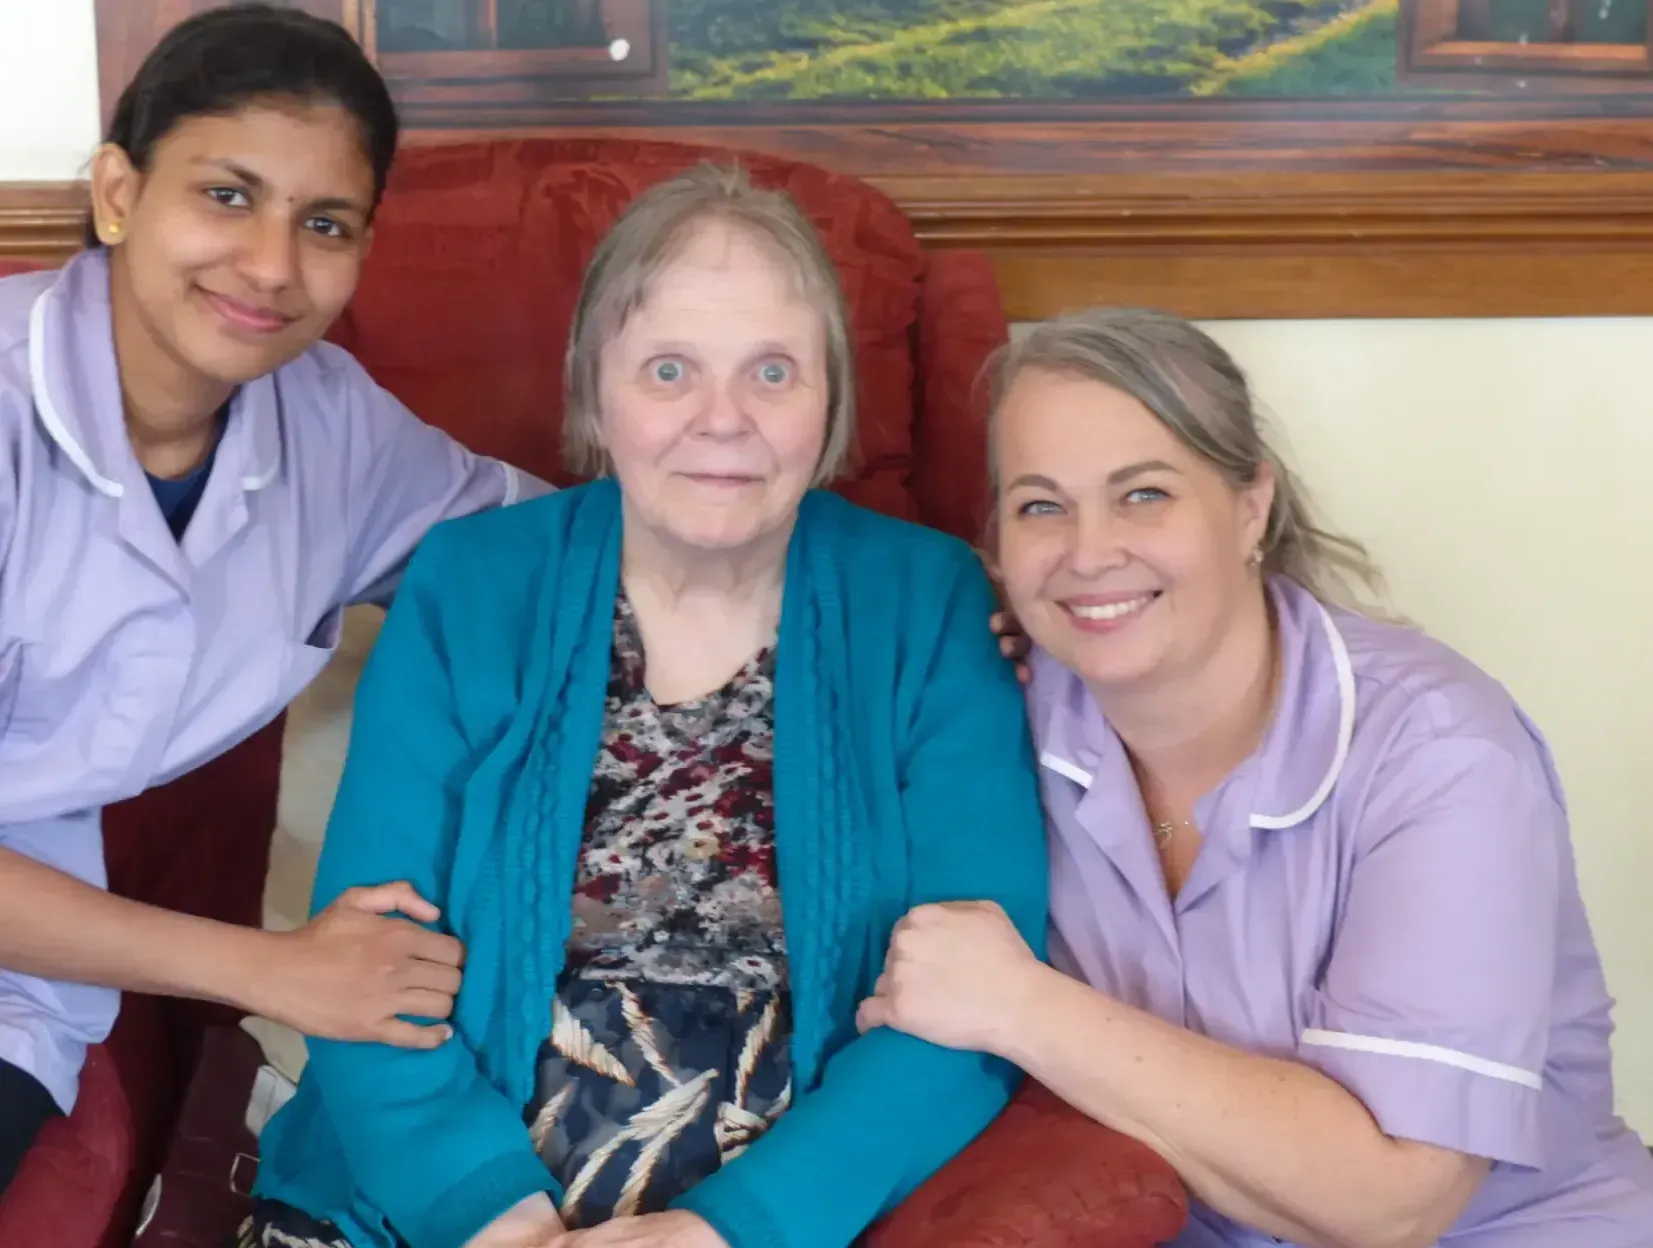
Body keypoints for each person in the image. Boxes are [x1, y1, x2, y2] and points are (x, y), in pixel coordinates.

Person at [242, 164, 1049, 1248]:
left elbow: (980, 1004)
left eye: (773, 371)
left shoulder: (929, 603)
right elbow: (360, 957)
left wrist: (725, 1231)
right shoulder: (474, 583)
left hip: (791, 1219)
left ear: (834, 397)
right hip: (429, 1207)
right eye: (670, 370)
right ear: (595, 391)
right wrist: (491, 1218)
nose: (724, 421)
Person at [857, 307, 1653, 1246]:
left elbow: (1396, 1197)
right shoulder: (998, 716)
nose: (1086, 552)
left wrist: (1018, 1004)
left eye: (1143, 494)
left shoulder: (1438, 753)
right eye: (1041, 506)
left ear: (1249, 508)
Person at [0, 4, 554, 1196]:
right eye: (227, 195)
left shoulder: (331, 426)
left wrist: (919, 602)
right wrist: (276, 970)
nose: (272, 267)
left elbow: (558, 548)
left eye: (325, 224)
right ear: (116, 193)